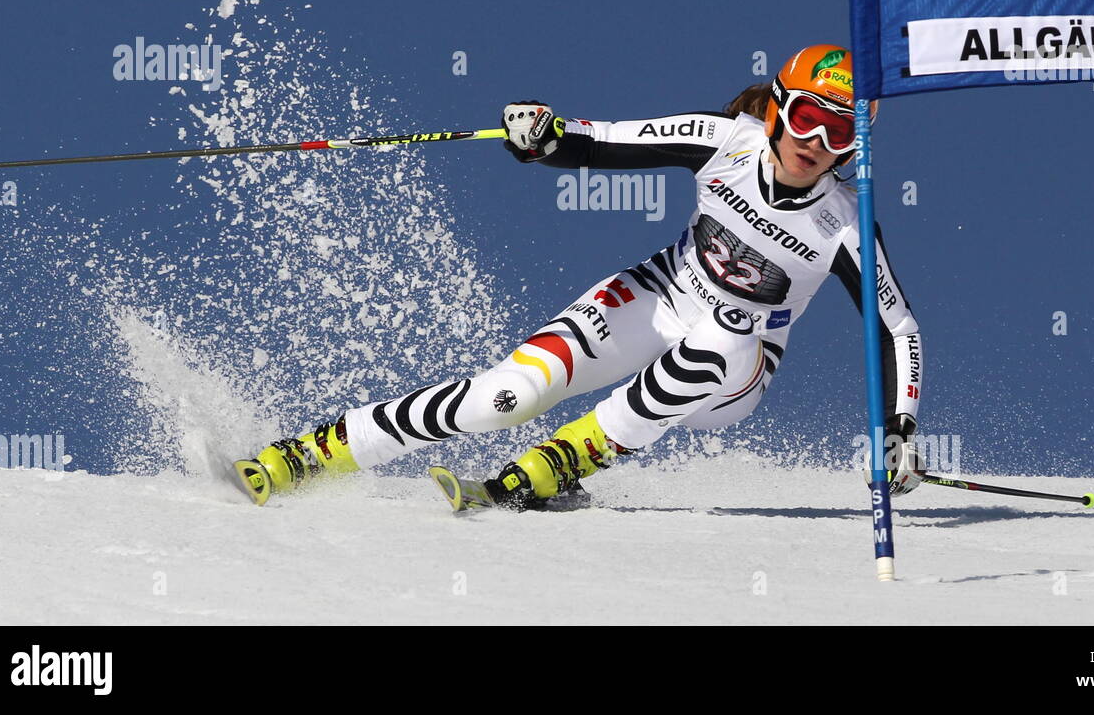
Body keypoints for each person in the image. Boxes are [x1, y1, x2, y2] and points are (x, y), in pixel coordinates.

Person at [233, 44, 925, 508]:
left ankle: (566, 460)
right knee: (504, 395)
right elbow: (605, 138)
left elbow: (898, 328)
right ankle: (315, 451)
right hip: (660, 294)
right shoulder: (725, 141)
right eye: (807, 117)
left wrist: (899, 426)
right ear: (776, 107)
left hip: (739, 365)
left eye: (840, 133)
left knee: (726, 332)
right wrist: (544, 137)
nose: (816, 143)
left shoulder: (844, 225)